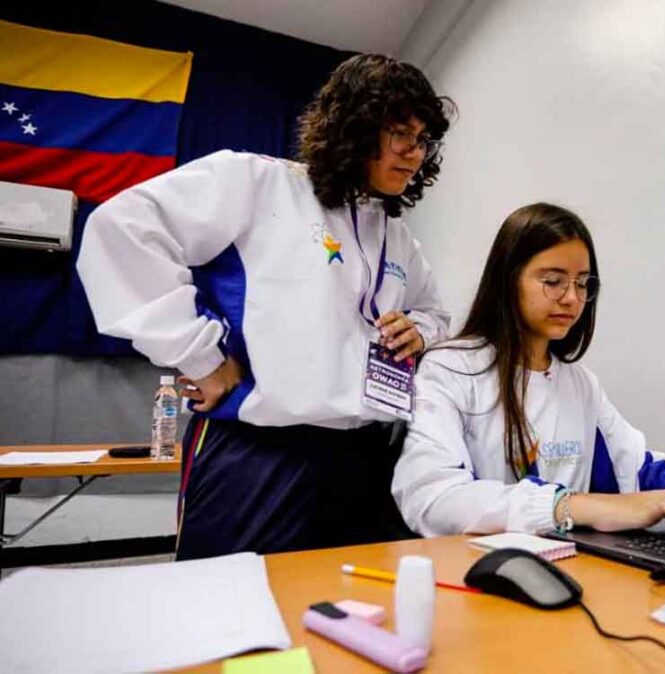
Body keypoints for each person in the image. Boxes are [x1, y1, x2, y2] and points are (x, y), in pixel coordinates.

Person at [77, 54, 455, 559]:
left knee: (348, 618)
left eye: (423, 139)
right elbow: (119, 231)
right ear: (355, 128)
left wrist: (421, 330)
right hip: (259, 453)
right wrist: (203, 359)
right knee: (232, 618)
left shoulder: (397, 235)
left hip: (365, 454)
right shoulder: (255, 183)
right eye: (400, 133)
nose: (414, 152)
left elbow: (435, 313)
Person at [392, 203, 665, 537]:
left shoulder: (579, 382)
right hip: (482, 575)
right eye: (553, 281)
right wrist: (570, 507)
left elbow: (631, 465)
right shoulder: (452, 369)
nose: (571, 298)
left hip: (570, 569)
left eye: (582, 283)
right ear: (508, 282)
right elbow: (431, 497)